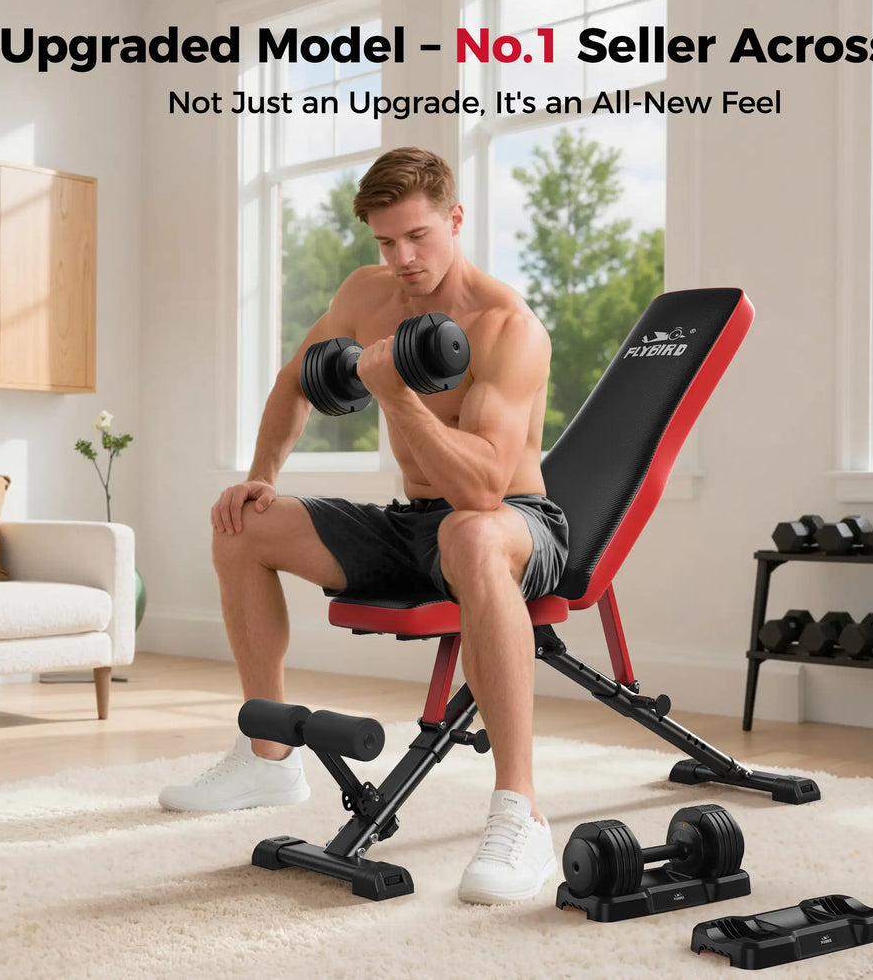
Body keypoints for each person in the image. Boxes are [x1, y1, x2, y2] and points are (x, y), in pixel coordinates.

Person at [157, 146, 568, 906]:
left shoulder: (507, 326)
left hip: (509, 522)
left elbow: (481, 487)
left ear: (455, 217)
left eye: (417, 236)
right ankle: (270, 755)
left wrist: (399, 395)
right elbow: (295, 380)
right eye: (385, 241)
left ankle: (521, 809)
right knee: (241, 526)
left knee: (470, 533)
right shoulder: (368, 294)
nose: (402, 257)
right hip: (412, 524)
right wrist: (262, 479)